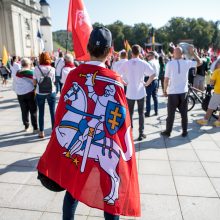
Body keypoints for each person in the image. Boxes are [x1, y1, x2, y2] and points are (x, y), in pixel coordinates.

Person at [37, 27, 140, 220]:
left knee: (73, 188)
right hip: (101, 132)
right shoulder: (115, 81)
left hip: (98, 130)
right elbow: (121, 121)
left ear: (87, 47)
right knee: (110, 194)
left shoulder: (74, 74)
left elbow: (61, 113)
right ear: (110, 51)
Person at [161, 46, 202, 137]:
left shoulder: (170, 64)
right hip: (183, 92)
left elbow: (166, 79)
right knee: (184, 113)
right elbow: (200, 62)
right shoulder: (186, 62)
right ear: (182, 54)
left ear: (174, 54)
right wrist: (193, 53)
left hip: (173, 92)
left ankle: (168, 131)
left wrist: (164, 91)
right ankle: (184, 131)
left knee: (171, 113)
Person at [120, 44, 155, 141]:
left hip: (130, 92)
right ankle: (141, 133)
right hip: (140, 91)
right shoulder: (143, 63)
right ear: (139, 52)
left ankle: (129, 133)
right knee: (141, 114)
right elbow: (153, 74)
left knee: (130, 114)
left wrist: (124, 82)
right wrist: (147, 83)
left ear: (131, 52)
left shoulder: (126, 63)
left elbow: (118, 75)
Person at [33, 52, 56, 138]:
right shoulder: (52, 69)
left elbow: (34, 81)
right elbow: (53, 81)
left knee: (41, 112)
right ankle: (53, 131)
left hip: (40, 92)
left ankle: (41, 132)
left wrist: (36, 87)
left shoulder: (36, 68)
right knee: (52, 112)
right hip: (51, 91)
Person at [15, 58, 38, 132]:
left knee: (24, 110)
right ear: (28, 64)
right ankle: (35, 127)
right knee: (33, 110)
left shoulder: (17, 72)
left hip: (20, 94)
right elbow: (34, 82)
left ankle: (26, 126)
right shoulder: (31, 72)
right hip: (30, 93)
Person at [197, 62, 220, 127]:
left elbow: (212, 82)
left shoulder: (217, 71)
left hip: (218, 92)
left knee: (211, 106)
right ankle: (218, 122)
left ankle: (205, 120)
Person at [145, 51, 160, 117]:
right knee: (155, 97)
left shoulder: (149, 62)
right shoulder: (157, 62)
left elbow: (146, 73)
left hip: (150, 80)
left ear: (152, 56)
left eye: (148, 56)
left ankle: (148, 112)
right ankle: (156, 111)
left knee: (148, 97)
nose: (147, 57)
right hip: (156, 80)